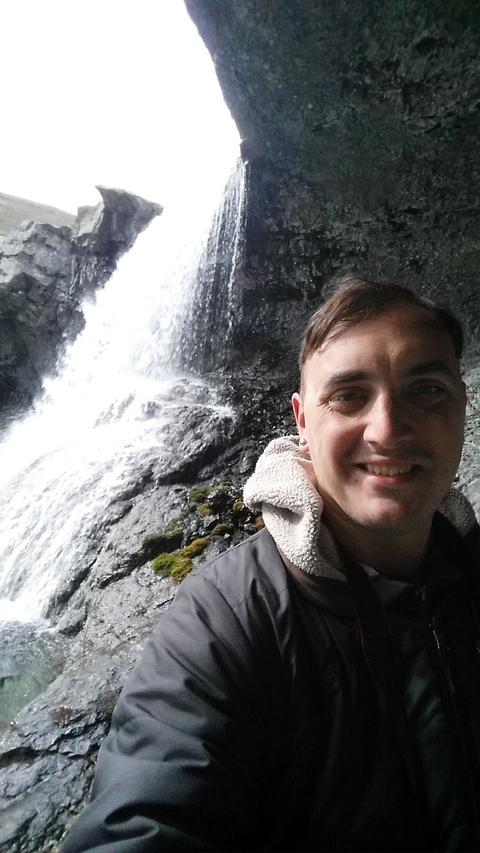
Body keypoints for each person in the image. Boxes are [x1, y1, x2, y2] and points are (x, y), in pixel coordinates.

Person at [61, 273, 480, 852]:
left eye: (426, 389)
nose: (387, 429)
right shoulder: (224, 621)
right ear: (302, 421)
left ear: (463, 403)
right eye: (349, 395)